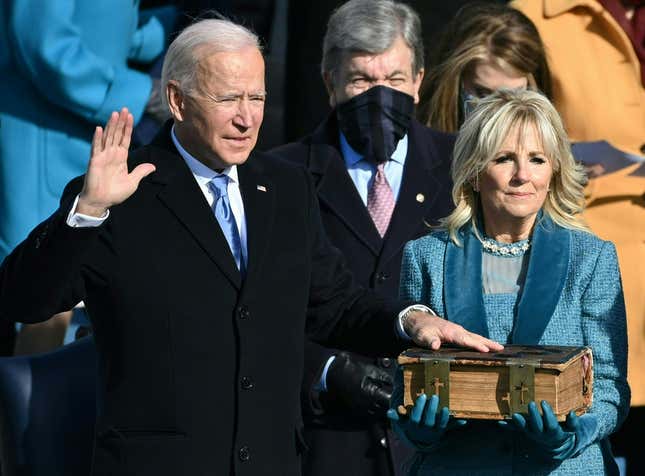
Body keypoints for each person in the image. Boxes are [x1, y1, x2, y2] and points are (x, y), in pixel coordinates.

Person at [0, 18, 502, 476]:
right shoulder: (123, 190)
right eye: (228, 100)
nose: (246, 119)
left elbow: (334, 304)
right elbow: (27, 299)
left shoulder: (284, 187)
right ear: (177, 101)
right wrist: (87, 211)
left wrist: (410, 320)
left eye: (257, 99)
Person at [389, 89, 629, 475]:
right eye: (504, 159)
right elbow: (404, 382)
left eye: (537, 159)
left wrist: (572, 434)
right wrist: (420, 430)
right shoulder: (426, 256)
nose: (522, 176)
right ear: (474, 172)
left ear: (554, 172)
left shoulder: (593, 258)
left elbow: (609, 387)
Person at [272, 1, 456, 475]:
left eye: (394, 80)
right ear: (330, 83)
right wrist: (325, 369)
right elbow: (261, 312)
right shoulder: (279, 176)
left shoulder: (463, 168)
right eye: (360, 80)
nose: (379, 96)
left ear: (418, 79)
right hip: (325, 441)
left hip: (441, 438)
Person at [0, 0, 176, 353]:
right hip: (43, 142)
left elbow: (106, 27)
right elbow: (43, 44)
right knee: (39, 302)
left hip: (86, 141)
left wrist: (179, 20)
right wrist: (141, 93)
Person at [417, 2, 551, 133]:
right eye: (483, 94)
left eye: (515, 95)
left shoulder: (557, 151)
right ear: (454, 83)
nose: (498, 114)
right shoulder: (411, 148)